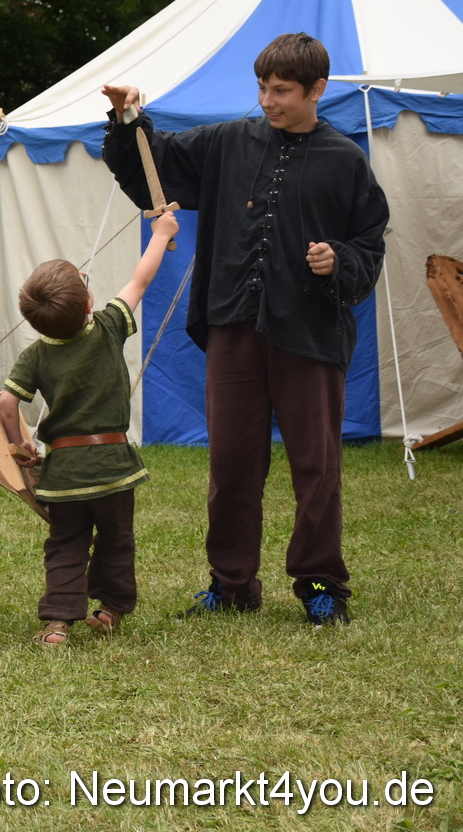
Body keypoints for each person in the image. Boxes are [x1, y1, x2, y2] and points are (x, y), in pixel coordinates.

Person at [101, 32, 389, 626]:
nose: (267, 100)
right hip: (233, 325)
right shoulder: (229, 141)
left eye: (281, 90)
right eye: (262, 87)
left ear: (317, 89)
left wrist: (338, 259)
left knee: (317, 468)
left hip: (309, 333)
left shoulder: (345, 161)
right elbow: (155, 166)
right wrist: (127, 118)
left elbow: (369, 243)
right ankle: (231, 583)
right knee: (231, 464)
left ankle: (320, 582)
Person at [0, 212, 180, 646]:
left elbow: (6, 403)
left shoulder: (36, 355)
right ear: (87, 305)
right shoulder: (108, 327)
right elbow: (141, 279)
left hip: (64, 473)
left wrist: (21, 444)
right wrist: (161, 234)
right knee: (116, 540)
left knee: (66, 543)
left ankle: (58, 625)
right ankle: (110, 610)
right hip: (113, 466)